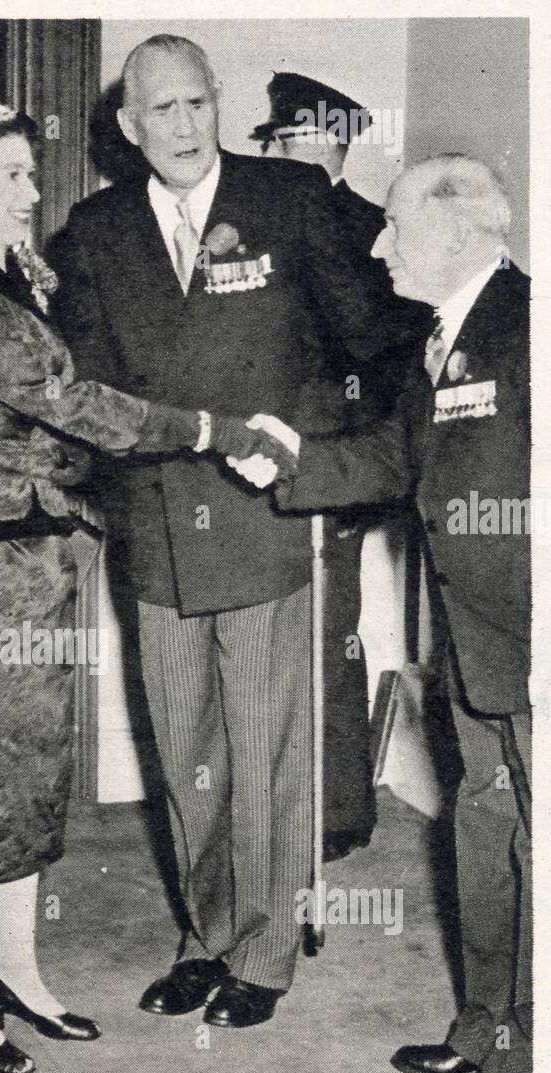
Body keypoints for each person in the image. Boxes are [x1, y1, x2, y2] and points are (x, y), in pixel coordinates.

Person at [0, 98, 270, 1073]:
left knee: (30, 767)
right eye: (10, 175)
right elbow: (73, 401)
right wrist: (205, 429)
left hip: (46, 552)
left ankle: (14, 965)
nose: (30, 190)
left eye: (27, 172)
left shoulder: (27, 278)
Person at [52, 35, 389, 1029]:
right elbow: (84, 393)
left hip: (264, 519)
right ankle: (205, 937)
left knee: (268, 750)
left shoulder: (289, 199)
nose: (187, 125)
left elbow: (368, 343)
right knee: (188, 751)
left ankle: (268, 949)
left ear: (216, 104)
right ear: (129, 127)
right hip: (158, 528)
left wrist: (308, 442)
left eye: (200, 103)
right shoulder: (95, 230)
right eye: (164, 110)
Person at [236, 156, 531, 1073]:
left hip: (531, 645)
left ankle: (524, 1067)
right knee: (488, 839)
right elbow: (398, 456)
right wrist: (289, 461)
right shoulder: (440, 340)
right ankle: (484, 1030)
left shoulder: (527, 329)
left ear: (457, 229)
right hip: (478, 645)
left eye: (395, 226)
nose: (376, 245)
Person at [251, 71, 428, 861]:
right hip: (264, 458)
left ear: (331, 139)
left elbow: (392, 346)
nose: (280, 151)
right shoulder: (259, 222)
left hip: (337, 462)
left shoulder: (370, 227)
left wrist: (358, 456)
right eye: (278, 139)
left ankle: (331, 814)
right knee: (268, 638)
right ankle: (274, 808)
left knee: (330, 640)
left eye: (291, 137)